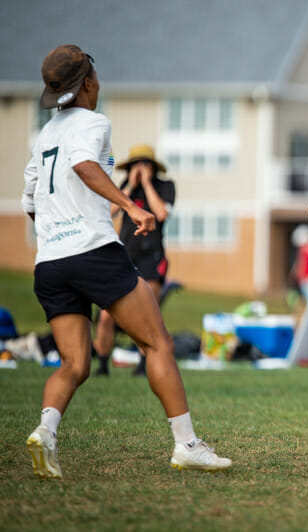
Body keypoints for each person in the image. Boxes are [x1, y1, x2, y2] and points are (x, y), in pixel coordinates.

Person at [21, 44, 231, 478]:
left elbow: (30, 203)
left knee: (73, 364)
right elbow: (83, 165)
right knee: (158, 344)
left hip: (50, 263)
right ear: (89, 83)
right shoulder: (94, 122)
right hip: (93, 253)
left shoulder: (44, 136)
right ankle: (187, 444)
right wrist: (130, 207)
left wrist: (58, 229)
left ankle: (46, 430)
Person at [94, 144, 175, 377]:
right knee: (106, 313)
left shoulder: (165, 187)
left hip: (152, 257)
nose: (139, 169)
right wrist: (130, 186)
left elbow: (161, 214)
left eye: (144, 165)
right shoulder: (125, 187)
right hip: (124, 255)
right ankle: (102, 364)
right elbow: (110, 211)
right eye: (135, 165)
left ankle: (144, 363)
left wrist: (147, 184)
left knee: (148, 313)